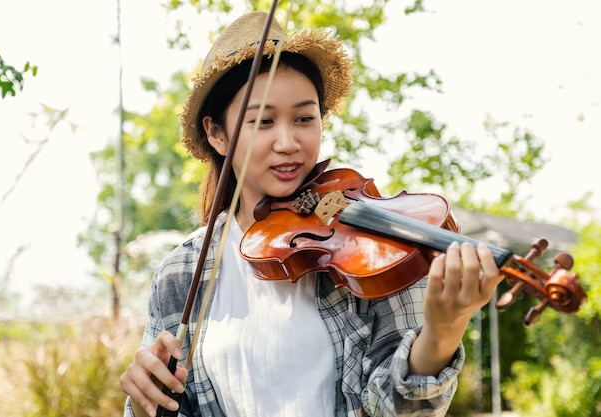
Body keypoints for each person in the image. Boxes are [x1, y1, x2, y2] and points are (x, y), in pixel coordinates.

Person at [119, 11, 502, 417]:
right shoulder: (180, 272)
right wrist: (146, 407)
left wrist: (442, 332)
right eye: (262, 122)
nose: (288, 142)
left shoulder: (368, 251)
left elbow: (399, 410)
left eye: (305, 118)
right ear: (218, 134)